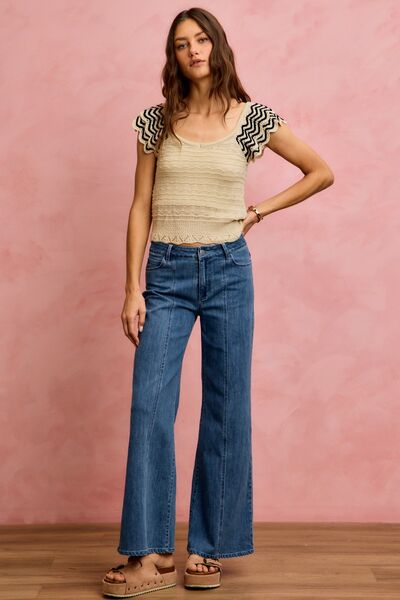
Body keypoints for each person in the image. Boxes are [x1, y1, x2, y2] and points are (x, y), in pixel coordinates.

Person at [102, 6, 334, 598]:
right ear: (173, 56)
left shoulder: (250, 118)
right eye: (182, 44)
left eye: (202, 39)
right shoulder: (156, 121)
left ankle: (208, 548)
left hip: (229, 269)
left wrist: (259, 211)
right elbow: (139, 205)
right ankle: (148, 553)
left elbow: (319, 171)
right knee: (150, 405)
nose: (194, 50)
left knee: (227, 407)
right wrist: (132, 287)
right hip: (167, 272)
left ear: (218, 46)